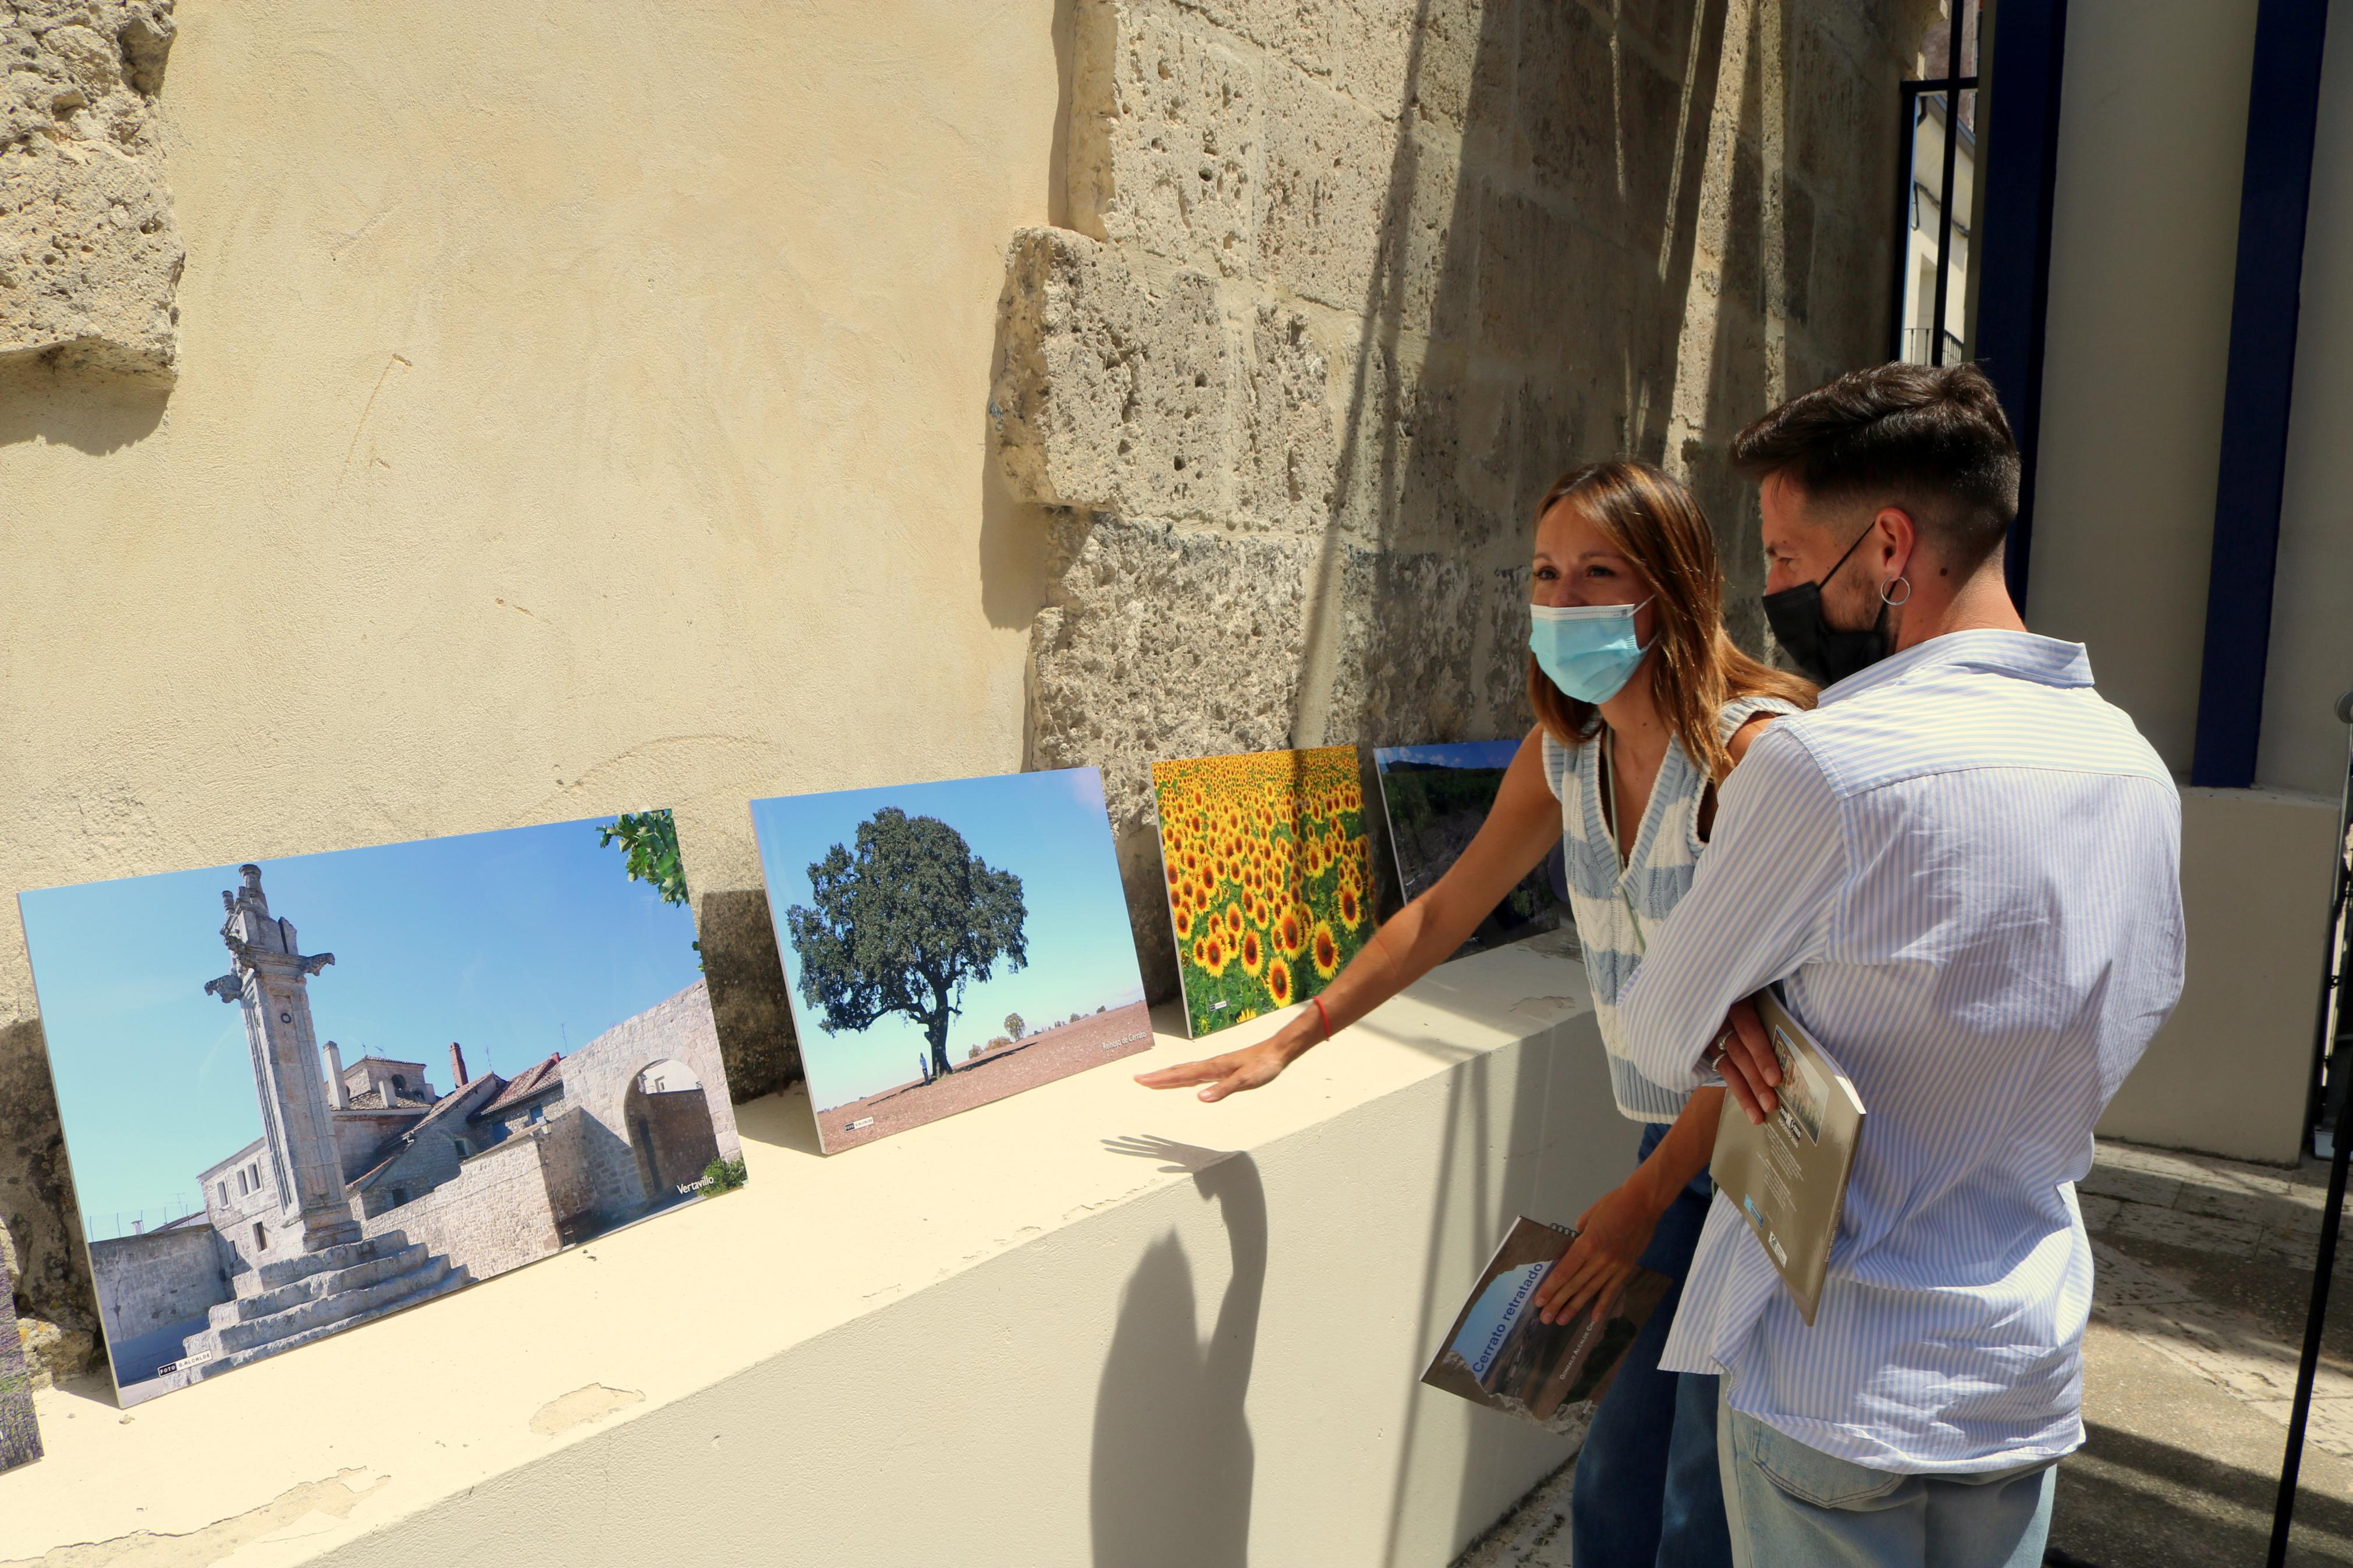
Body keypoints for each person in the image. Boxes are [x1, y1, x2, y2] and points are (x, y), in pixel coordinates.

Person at [1138, 460, 1814, 1567]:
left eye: (1600, 574)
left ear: (1674, 588)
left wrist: (1641, 1201)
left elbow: (1769, 1042)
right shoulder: (1570, 755)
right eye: (1546, 574)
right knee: (1619, 1485)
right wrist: (1296, 1034)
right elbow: (1444, 911)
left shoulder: (1748, 760)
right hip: (1674, 1148)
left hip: (1758, 1160)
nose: (1562, 602)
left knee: (1704, 1497)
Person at [1611, 363, 2185, 1568]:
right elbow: (2133, 1012)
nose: (1768, 592)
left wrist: (1745, 1007)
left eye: (1779, 555)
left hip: (1838, 1367)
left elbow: (1659, 1034)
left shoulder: (1828, 765)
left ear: (1888, 546)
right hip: (2020, 1364)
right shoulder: (2135, 769)